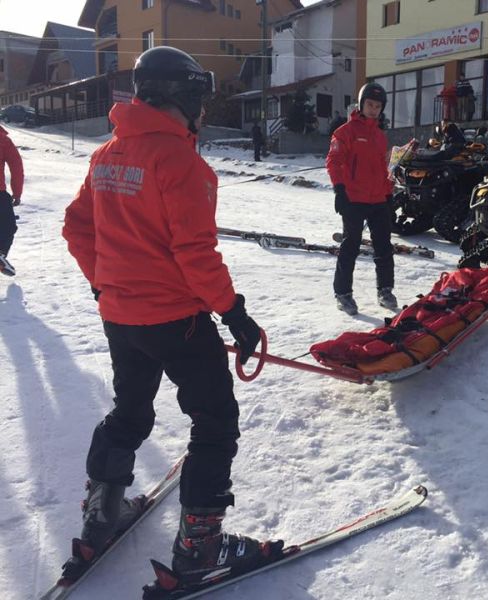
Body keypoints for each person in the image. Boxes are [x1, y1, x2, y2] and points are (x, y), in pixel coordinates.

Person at [62, 46, 284, 588]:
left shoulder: (108, 154)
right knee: (214, 422)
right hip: (177, 322)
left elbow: (76, 228)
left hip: (121, 319)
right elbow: (195, 254)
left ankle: (101, 511)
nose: (202, 111)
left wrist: (105, 285)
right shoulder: (182, 163)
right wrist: (235, 314)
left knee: (130, 413)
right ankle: (199, 546)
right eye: (198, 99)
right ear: (178, 97)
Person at [326, 82, 396, 316]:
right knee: (351, 245)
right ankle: (343, 293)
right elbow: (333, 161)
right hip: (353, 198)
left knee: (384, 246)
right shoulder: (345, 132)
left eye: (378, 106)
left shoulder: (380, 137)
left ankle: (385, 290)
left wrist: (389, 196)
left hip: (377, 199)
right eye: (370, 104)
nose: (374, 109)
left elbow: (384, 169)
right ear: (361, 104)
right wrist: (339, 189)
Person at [0, 123, 23, 277]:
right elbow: (16, 167)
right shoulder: (3, 140)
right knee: (7, 226)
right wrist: (17, 193)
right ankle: (1, 254)